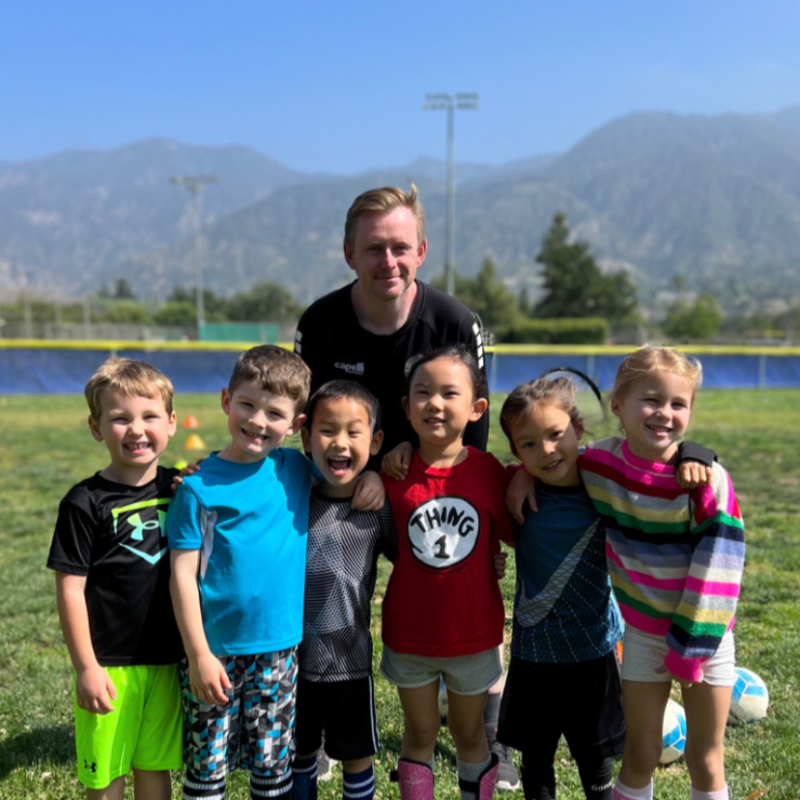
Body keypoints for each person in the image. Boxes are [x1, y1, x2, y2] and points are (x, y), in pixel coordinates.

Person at [295, 184, 517, 790]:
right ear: (349, 253)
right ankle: (318, 724)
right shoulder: (320, 323)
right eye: (373, 248)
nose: (387, 261)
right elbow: (305, 424)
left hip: (432, 485)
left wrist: (474, 519)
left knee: (463, 583)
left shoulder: (454, 321)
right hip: (353, 487)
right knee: (325, 592)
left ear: (421, 251)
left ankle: (490, 733)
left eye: (399, 247)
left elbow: (474, 437)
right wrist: (361, 472)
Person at [166, 346, 383, 800]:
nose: (258, 421)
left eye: (275, 413)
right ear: (226, 401)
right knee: (207, 768)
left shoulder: (295, 469)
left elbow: (342, 468)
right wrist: (198, 653)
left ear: (295, 426)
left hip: (280, 654)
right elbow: (182, 576)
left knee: (273, 769)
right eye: (247, 405)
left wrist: (374, 477)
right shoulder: (197, 487)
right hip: (214, 654)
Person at [578, 347, 745, 800]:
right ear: (618, 405)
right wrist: (521, 476)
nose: (665, 413)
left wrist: (690, 651)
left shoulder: (706, 481)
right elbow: (552, 462)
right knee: (640, 753)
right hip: (644, 634)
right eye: (651, 400)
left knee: (704, 759)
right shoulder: (597, 465)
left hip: (704, 639)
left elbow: (720, 571)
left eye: (678, 404)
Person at [380, 345, 513, 800]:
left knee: (469, 733)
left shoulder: (490, 472)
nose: (434, 403)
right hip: (411, 636)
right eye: (423, 393)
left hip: (472, 636)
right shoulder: (392, 473)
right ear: (406, 407)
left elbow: (515, 532)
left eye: (449, 393)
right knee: (419, 734)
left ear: (477, 408)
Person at [47, 357, 183, 800]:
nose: (136, 429)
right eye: (120, 418)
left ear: (172, 423)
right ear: (96, 427)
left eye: (150, 416)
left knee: (155, 767)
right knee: (106, 777)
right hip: (109, 665)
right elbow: (70, 590)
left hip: (167, 660)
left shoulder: (183, 489)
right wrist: (86, 667)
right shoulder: (83, 502)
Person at [496, 376, 625, 800]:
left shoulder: (604, 482)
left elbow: (652, 462)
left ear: (578, 429)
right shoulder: (514, 493)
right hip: (535, 654)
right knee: (536, 756)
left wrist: (695, 455)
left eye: (555, 434)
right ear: (516, 451)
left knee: (595, 755)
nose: (547, 450)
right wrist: (519, 474)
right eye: (529, 445)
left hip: (594, 650)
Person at [291, 380, 398, 800]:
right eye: (327, 430)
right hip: (291, 664)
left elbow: (412, 560)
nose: (340, 442)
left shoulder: (378, 508)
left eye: (354, 432)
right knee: (299, 754)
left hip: (350, 664)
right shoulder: (293, 498)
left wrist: (379, 479)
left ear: (375, 442)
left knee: (356, 757)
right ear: (306, 438)